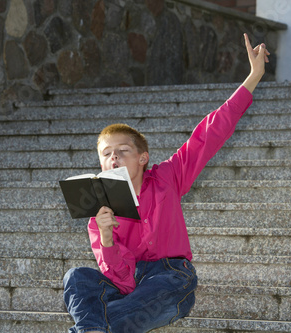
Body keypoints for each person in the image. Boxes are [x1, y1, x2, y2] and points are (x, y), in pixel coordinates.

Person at [63, 33, 270, 333]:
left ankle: (92, 327)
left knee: (167, 286)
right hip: (130, 292)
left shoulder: (167, 176)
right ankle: (98, 328)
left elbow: (209, 135)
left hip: (169, 281)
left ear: (143, 157)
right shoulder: (99, 218)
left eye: (122, 151)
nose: (114, 159)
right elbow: (122, 281)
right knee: (77, 278)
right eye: (106, 154)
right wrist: (107, 238)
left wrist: (252, 77)